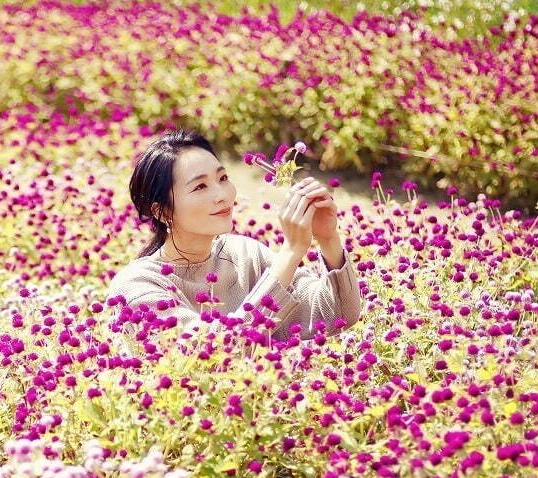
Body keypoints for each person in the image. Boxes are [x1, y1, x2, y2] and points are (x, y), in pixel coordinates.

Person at [109, 129, 362, 340]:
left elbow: (338, 314)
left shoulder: (245, 255)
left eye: (223, 178)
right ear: (162, 211)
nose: (222, 195)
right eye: (200, 186)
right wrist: (290, 253)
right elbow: (214, 355)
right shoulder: (137, 286)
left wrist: (328, 238)